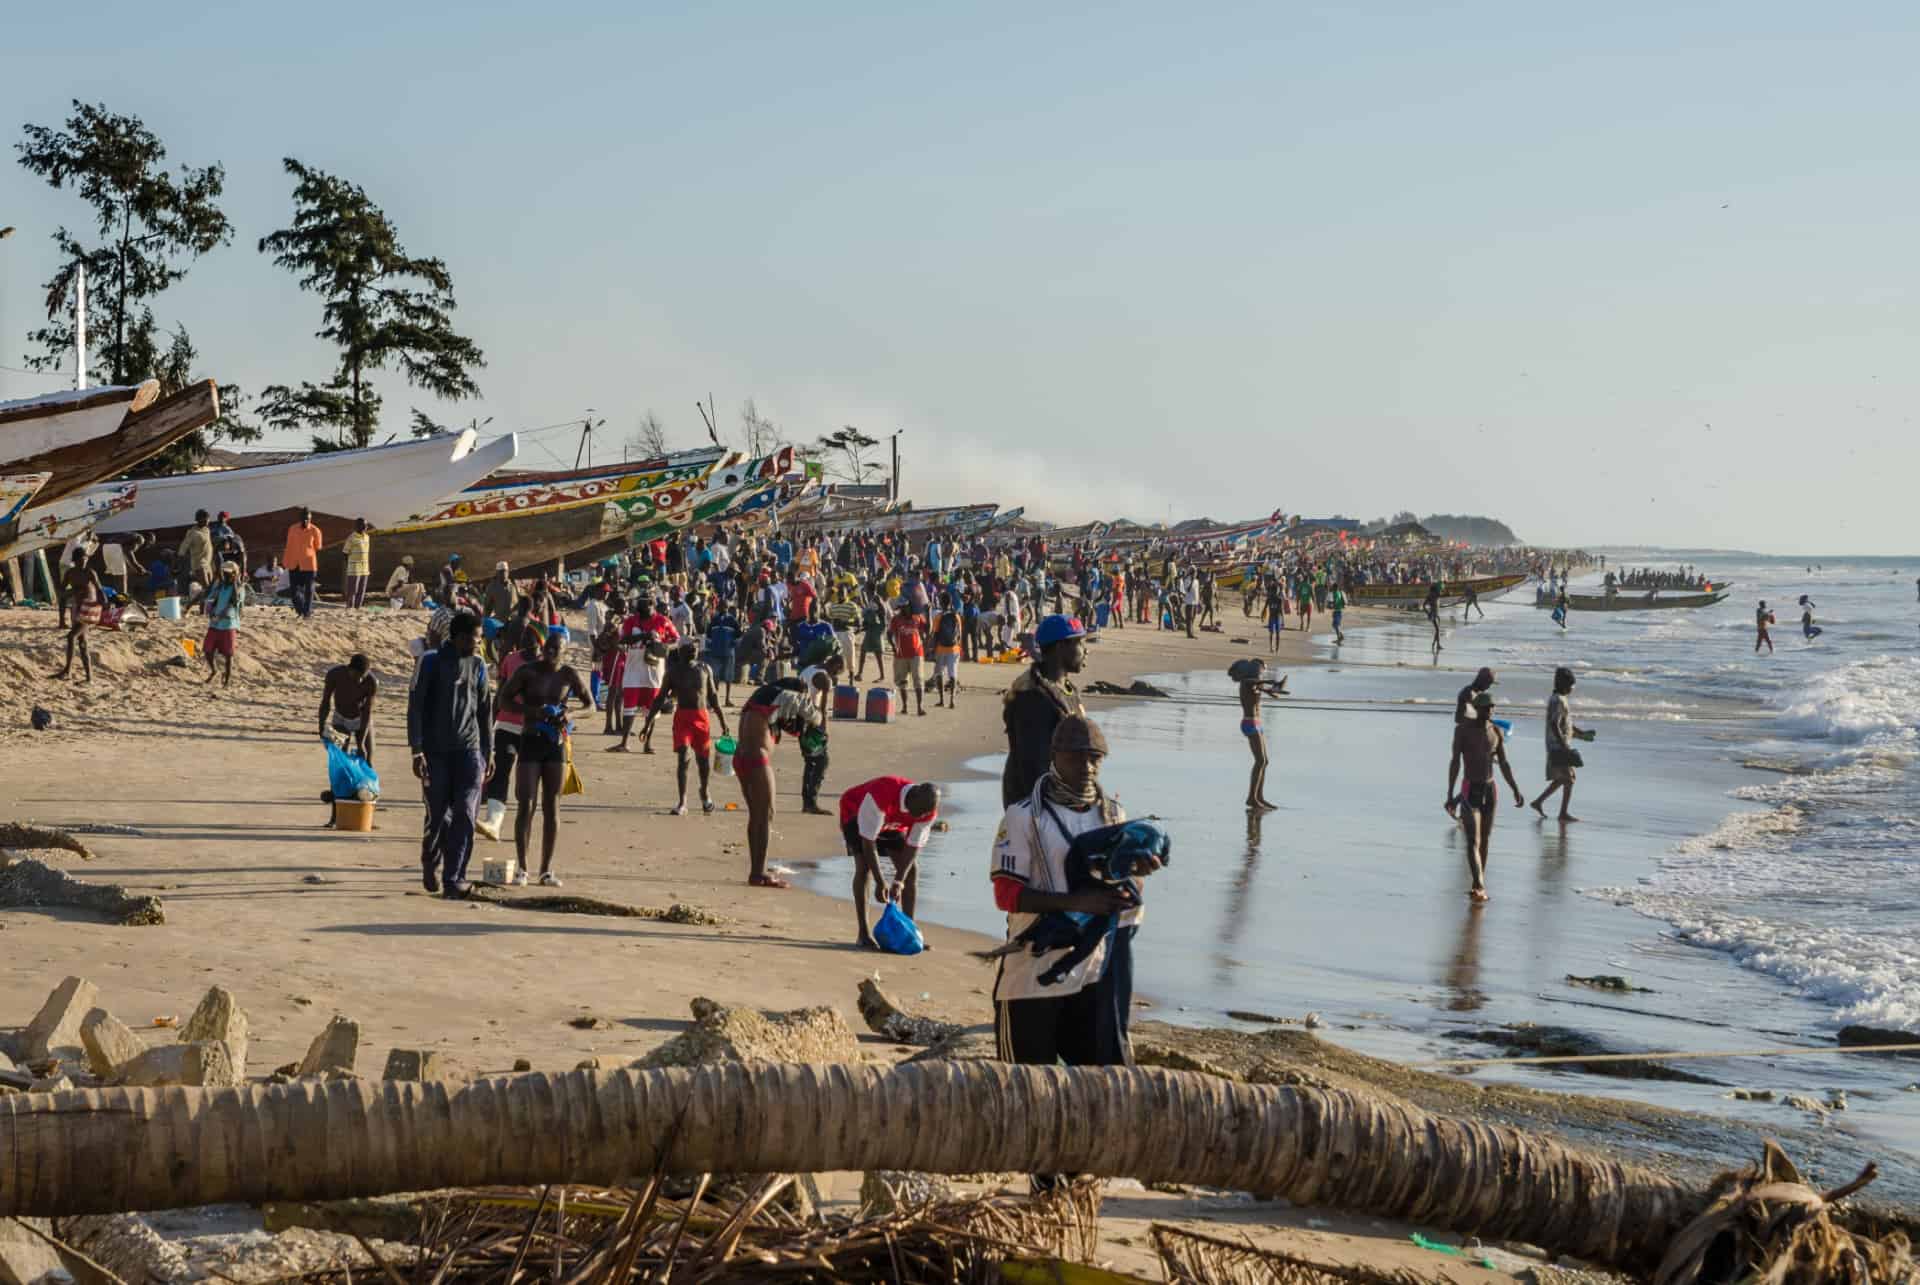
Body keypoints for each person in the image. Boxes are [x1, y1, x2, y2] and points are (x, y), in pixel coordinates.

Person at [991, 716, 1154, 1081]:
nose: (1087, 767)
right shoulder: (1024, 816)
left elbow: (1122, 892)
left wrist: (1133, 883)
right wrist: (1078, 903)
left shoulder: (1113, 815)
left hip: (1092, 975)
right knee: (1025, 1089)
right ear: (1054, 756)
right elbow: (1006, 894)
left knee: (1098, 1089)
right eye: (1076, 757)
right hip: (1031, 976)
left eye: (1095, 758)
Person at [407, 611, 493, 898]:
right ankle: (430, 859)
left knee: (466, 813)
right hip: (435, 753)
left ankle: (454, 878)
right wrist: (417, 750)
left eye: (480, 639)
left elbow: (484, 711)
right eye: (474, 639)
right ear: (458, 637)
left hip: (469, 751)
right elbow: (416, 707)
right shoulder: (430, 662)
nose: (478, 644)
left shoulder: (479, 665)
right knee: (439, 817)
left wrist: (487, 753)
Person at [498, 631, 591, 887]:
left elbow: (590, 706)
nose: (549, 653)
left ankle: (546, 870)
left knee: (552, 806)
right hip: (530, 739)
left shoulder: (568, 675)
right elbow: (503, 699)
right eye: (547, 648)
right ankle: (522, 869)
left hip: (556, 744)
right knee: (526, 803)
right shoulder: (528, 672)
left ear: (565, 651)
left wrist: (571, 715)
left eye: (555, 649)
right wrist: (532, 711)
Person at [732, 678, 822, 888]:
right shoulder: (788, 695)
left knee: (757, 815)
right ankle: (759, 873)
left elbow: (780, 722)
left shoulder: (761, 697)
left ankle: (757, 871)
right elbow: (815, 717)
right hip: (757, 759)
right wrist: (819, 702)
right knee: (766, 814)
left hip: (741, 757)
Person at [841, 776, 940, 950]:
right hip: (855, 812)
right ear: (913, 796)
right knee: (864, 868)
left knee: (911, 872)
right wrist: (881, 882)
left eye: (926, 813)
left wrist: (898, 882)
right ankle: (863, 934)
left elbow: (913, 846)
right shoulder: (883, 792)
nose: (922, 816)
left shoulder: (927, 811)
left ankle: (909, 932)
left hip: (891, 822)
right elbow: (868, 842)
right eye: (920, 810)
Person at [1001, 614, 1088, 806]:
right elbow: (1033, 765)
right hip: (1036, 806)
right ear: (1059, 648)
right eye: (1079, 643)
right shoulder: (1034, 697)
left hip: (1062, 799)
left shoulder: (1066, 690)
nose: (1085, 650)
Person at [1446, 691, 1524, 903]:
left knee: (1485, 841)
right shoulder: (1462, 731)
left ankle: (1477, 885)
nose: (1489, 710)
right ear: (1476, 709)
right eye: (1485, 707)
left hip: (1490, 790)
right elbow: (1455, 762)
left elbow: (1504, 764)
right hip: (1470, 788)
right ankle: (1479, 883)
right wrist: (1450, 793)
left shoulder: (1496, 732)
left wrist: (1515, 788)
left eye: (1492, 707)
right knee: (1472, 840)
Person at [647, 642, 731, 815]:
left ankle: (705, 792)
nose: (693, 650)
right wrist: (648, 722)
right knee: (683, 756)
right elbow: (660, 698)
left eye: (695, 648)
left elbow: (714, 697)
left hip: (702, 718)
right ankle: (682, 801)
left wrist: (723, 722)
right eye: (688, 649)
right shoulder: (673, 673)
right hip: (683, 718)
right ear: (680, 653)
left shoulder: (705, 669)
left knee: (703, 762)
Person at [477, 628, 540, 842]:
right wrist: (491, 722)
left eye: (531, 638)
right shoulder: (511, 660)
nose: (526, 641)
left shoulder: (547, 665)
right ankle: (493, 823)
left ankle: (524, 828)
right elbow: (501, 692)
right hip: (506, 724)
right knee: (500, 771)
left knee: (527, 780)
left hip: (533, 729)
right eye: (524, 637)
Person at [614, 594, 678, 751]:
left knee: (652, 709)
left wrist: (665, 648)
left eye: (643, 610)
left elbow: (676, 639)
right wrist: (643, 636)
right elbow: (622, 640)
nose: (639, 613)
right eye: (638, 610)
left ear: (652, 605)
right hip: (634, 669)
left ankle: (647, 744)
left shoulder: (663, 621)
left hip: (654, 670)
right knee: (629, 707)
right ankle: (624, 743)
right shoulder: (631, 620)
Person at [1531, 666, 1591, 823]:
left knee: (1566, 778)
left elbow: (1567, 724)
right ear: (1565, 684)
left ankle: (1539, 802)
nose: (1573, 689)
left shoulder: (1560, 699)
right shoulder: (1557, 700)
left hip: (1559, 745)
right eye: (1572, 685)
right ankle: (1562, 813)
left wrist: (1581, 733)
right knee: (1569, 779)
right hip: (1557, 746)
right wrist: (1564, 746)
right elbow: (1554, 724)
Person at [1236, 659, 1288, 811]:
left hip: (1257, 724)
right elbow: (1250, 682)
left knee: (1264, 761)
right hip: (1249, 723)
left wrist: (1274, 689)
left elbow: (1262, 688)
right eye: (1262, 670)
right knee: (1260, 761)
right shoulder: (1246, 682)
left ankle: (1259, 797)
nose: (1263, 672)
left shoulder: (1255, 684)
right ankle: (1251, 798)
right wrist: (1270, 681)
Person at [319, 653, 379, 763]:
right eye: (357, 675)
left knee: (367, 758)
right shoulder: (334, 675)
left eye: (363, 676)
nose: (360, 680)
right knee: (341, 759)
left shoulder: (372, 682)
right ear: (349, 669)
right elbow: (325, 701)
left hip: (361, 719)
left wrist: (360, 744)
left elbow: (367, 711)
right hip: (340, 718)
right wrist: (321, 725)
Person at [54, 547, 102, 683]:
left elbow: (99, 589)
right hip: (76, 609)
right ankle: (88, 678)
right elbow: (62, 591)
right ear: (75, 561)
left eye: (85, 559)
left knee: (71, 636)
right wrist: (72, 592)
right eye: (81, 560)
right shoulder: (70, 573)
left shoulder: (90, 572)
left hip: (88, 609)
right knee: (82, 642)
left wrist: (104, 604)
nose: (84, 562)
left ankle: (67, 670)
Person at [201, 561, 246, 687]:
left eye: (228, 573)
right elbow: (210, 599)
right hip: (215, 623)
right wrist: (210, 612)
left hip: (228, 623)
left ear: (234, 574)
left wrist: (219, 616)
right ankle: (214, 671)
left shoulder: (238, 588)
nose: (225, 575)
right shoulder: (219, 586)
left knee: (228, 654)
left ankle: (227, 678)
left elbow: (233, 605)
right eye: (224, 573)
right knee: (208, 649)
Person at [889, 599, 928, 716]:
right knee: (902, 681)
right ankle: (905, 706)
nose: (905, 609)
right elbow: (889, 633)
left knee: (918, 680)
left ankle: (919, 707)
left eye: (906, 606)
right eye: (902, 607)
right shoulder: (896, 619)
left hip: (917, 653)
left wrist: (929, 612)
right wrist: (893, 646)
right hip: (901, 654)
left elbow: (927, 629)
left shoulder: (918, 617)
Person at [283, 508, 323, 619]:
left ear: (310, 519)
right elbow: (289, 546)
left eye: (308, 519)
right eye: (304, 518)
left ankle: (307, 613)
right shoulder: (292, 529)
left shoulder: (316, 531)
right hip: (294, 563)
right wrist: (286, 561)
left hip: (309, 564)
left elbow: (318, 547)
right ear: (300, 518)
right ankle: (301, 610)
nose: (305, 521)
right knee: (294, 591)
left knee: (309, 590)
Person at [931, 597, 964, 708]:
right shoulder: (956, 616)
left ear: (941, 603)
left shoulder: (939, 617)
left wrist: (932, 650)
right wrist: (959, 648)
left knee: (939, 674)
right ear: (950, 603)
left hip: (941, 649)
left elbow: (935, 634)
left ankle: (941, 700)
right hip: (954, 649)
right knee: (953, 674)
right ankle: (952, 701)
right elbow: (959, 635)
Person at [176, 510, 215, 595]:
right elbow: (182, 549)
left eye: (208, 519)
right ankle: (200, 606)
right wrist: (178, 566)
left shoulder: (206, 530)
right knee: (207, 588)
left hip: (208, 563)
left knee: (211, 587)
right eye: (206, 519)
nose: (208, 521)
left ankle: (194, 605)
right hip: (199, 564)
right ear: (200, 519)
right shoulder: (192, 532)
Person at [341, 519, 373, 608]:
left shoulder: (367, 537)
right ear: (357, 526)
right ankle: (350, 607)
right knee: (353, 590)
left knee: (362, 590)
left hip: (365, 568)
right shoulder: (351, 538)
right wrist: (350, 565)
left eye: (366, 525)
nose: (365, 527)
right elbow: (345, 553)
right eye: (363, 525)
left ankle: (358, 607)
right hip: (354, 568)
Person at [858, 594, 888, 682]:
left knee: (877, 654)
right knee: (864, 651)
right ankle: (860, 673)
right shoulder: (873, 604)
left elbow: (881, 620)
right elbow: (867, 621)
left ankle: (882, 676)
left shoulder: (877, 603)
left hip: (876, 632)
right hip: (872, 631)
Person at [1423, 583, 1443, 652]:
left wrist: (1427, 613)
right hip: (1433, 614)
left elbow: (1424, 606)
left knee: (1437, 630)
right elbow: (1424, 606)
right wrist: (1428, 613)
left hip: (1435, 614)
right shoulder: (1434, 595)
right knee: (1437, 630)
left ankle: (1436, 644)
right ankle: (1437, 645)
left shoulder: (1431, 595)